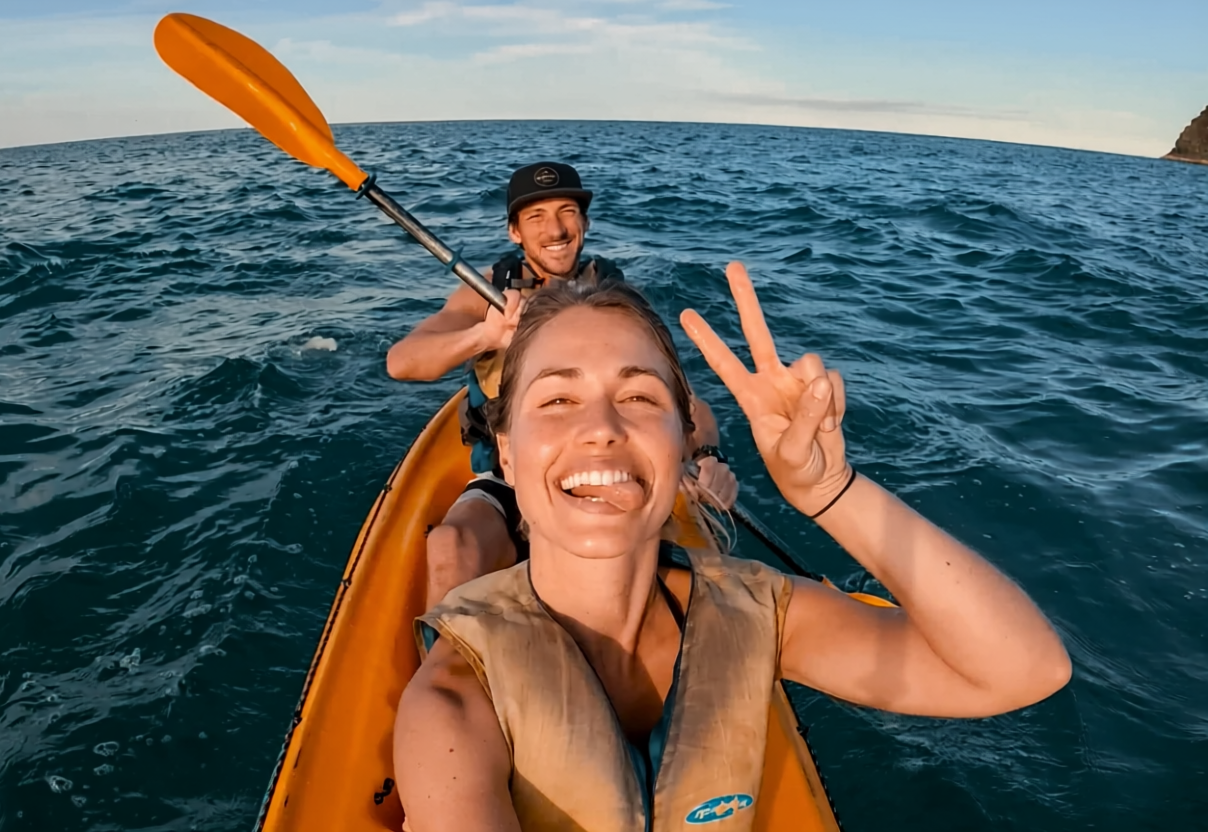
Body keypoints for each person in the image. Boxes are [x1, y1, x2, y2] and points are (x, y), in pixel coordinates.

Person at [393, 264, 1073, 832]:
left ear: (681, 439)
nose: (601, 428)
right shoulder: (452, 705)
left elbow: (1022, 671)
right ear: (506, 456)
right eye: (557, 401)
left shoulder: (757, 610)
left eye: (637, 395)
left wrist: (832, 491)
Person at [386, 161, 738, 610]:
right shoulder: (489, 293)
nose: (555, 229)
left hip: (606, 466)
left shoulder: (617, 302)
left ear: (584, 222)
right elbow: (402, 362)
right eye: (535, 217)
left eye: (567, 211)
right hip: (515, 473)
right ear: (514, 232)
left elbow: (686, 405)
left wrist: (708, 456)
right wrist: (485, 336)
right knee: (452, 544)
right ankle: (457, 669)